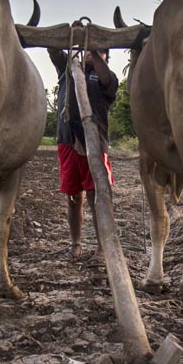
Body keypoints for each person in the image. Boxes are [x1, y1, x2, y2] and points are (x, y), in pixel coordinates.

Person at [48, 47, 119, 260]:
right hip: (68, 140)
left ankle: (101, 247)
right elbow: (54, 52)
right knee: (73, 197)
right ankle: (76, 245)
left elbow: (108, 80)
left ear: (106, 56)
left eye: (99, 52)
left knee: (97, 196)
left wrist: (95, 52)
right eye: (86, 49)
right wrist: (62, 42)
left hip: (95, 143)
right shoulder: (67, 71)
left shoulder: (106, 77)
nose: (90, 53)